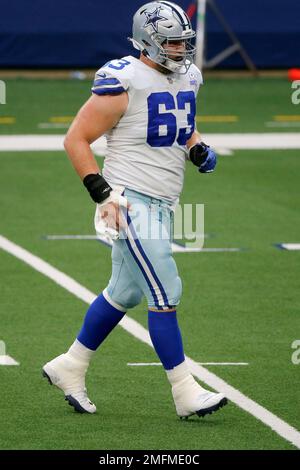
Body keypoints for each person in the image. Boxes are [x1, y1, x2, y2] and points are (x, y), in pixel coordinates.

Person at [42, 0, 227, 419]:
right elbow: (75, 139)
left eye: (184, 42)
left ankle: (70, 365)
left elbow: (180, 121)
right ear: (149, 42)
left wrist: (196, 146)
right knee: (166, 290)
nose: (181, 50)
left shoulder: (190, 77)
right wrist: (103, 194)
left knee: (123, 292)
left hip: (163, 199)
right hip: (128, 200)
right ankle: (184, 390)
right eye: (173, 43)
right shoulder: (124, 80)